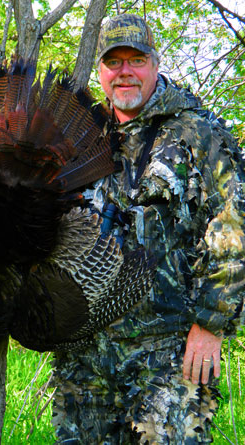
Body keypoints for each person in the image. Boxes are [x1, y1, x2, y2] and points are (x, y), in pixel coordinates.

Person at [52, 13, 245, 444]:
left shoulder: (198, 132)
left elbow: (237, 226)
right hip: (85, 354)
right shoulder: (81, 138)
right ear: (100, 71)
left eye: (135, 60)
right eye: (113, 62)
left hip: (169, 353)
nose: (124, 72)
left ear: (155, 63)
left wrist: (210, 324)